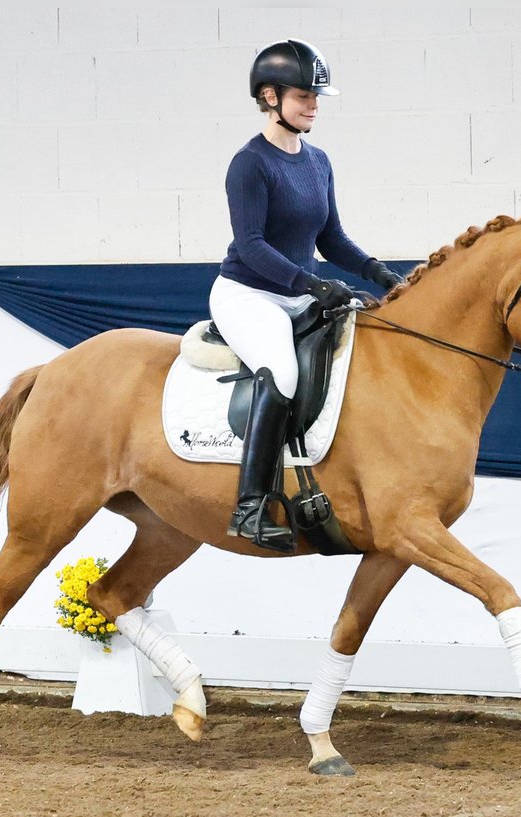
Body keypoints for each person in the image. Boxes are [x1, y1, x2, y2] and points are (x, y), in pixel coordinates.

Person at [211, 38, 403, 549]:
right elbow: (250, 246)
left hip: (299, 292)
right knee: (284, 372)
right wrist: (311, 284)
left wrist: (379, 273)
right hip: (249, 294)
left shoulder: (317, 160)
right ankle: (250, 507)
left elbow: (330, 237)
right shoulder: (249, 164)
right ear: (270, 97)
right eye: (303, 96)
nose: (314, 105)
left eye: (316, 96)